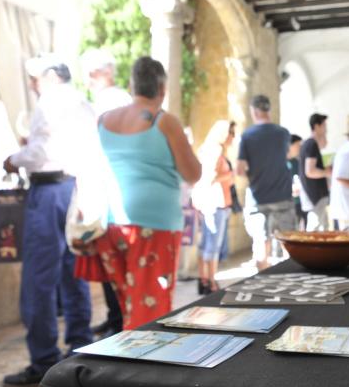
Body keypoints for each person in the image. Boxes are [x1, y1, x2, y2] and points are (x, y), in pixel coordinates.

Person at [2, 54, 96, 386]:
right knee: (74, 270)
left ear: (52, 76)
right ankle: (81, 345)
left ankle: (43, 358)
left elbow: (40, 153)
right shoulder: (82, 102)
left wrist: (14, 160)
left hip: (48, 191)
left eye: (35, 78)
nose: (32, 84)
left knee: (39, 278)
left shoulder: (50, 100)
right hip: (73, 190)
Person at [93, 56, 201, 329]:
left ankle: (124, 352)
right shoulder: (164, 122)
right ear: (162, 89)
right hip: (156, 225)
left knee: (127, 305)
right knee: (150, 309)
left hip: (113, 223)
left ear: (132, 86)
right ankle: (143, 356)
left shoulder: (104, 121)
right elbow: (193, 173)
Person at [81, 49, 130, 338]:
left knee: (115, 260)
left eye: (92, 72)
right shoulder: (100, 101)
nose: (88, 78)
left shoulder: (116, 100)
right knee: (105, 259)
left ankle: (120, 317)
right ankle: (114, 315)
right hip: (101, 189)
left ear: (107, 72)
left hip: (113, 189)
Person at [237, 95, 295, 270]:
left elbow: (239, 170)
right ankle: (291, 280)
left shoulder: (247, 136)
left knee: (261, 246)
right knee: (289, 244)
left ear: (254, 112)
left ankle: (263, 282)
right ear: (269, 110)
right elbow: (287, 156)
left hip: (258, 197)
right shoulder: (283, 133)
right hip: (283, 195)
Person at [193, 120, 235, 295]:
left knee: (205, 243)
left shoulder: (207, 149)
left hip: (210, 203)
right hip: (215, 203)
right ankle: (211, 282)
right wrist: (228, 175)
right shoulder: (215, 150)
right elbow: (209, 177)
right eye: (231, 133)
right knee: (213, 245)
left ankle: (203, 279)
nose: (233, 137)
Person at [299, 113, 331, 231]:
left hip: (314, 195)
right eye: (324, 125)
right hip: (314, 195)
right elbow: (310, 171)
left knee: (320, 227)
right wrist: (327, 172)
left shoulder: (309, 144)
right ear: (317, 126)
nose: (326, 129)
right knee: (317, 228)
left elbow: (324, 145)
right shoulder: (311, 144)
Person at [81, 49, 132, 116]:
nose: (89, 79)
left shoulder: (109, 99)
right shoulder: (122, 96)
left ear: (108, 72)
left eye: (92, 73)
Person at [287, 134, 305, 229]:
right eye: (298, 145)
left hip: (300, 201)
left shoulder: (297, 162)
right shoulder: (281, 163)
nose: (300, 148)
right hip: (287, 204)